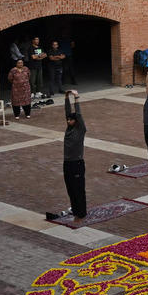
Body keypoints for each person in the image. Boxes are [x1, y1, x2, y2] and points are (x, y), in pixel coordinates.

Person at [61, 90, 87, 220]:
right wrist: (66, 97)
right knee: (70, 188)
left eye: (71, 120)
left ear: (76, 121)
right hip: (67, 163)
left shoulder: (80, 129)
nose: (68, 121)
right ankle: (75, 209)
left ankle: (81, 212)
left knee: (78, 189)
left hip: (77, 163)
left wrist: (76, 97)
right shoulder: (69, 128)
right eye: (68, 119)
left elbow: (79, 114)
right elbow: (67, 112)